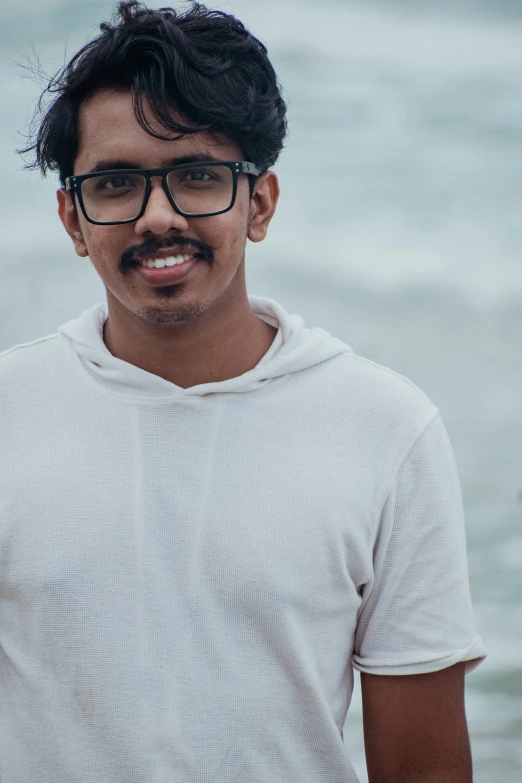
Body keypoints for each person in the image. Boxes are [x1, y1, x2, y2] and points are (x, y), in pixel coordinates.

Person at [2, 2, 486, 782]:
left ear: (259, 202)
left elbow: (424, 769)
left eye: (197, 175)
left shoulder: (386, 429)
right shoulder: (9, 412)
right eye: (117, 184)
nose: (158, 217)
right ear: (72, 219)